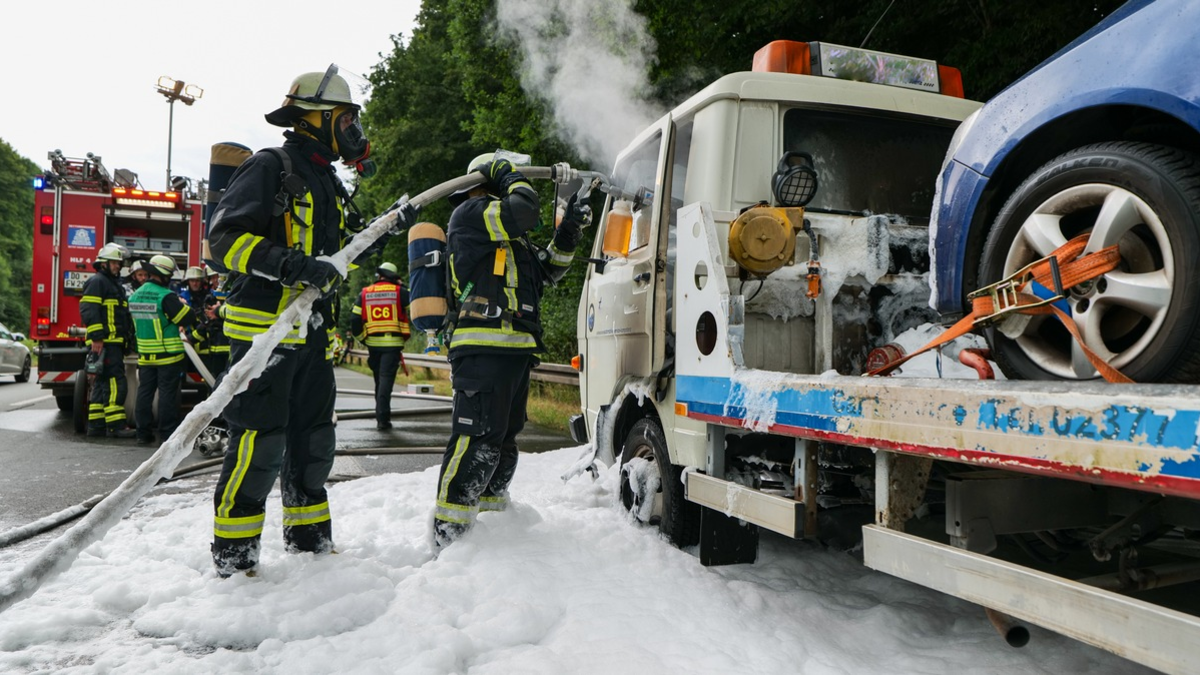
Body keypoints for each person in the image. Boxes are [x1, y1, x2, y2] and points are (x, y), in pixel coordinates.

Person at [205, 66, 416, 577]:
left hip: (312, 333)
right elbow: (224, 240)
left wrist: (385, 228)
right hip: (264, 332)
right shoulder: (270, 166)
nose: (353, 131)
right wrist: (292, 266)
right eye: (346, 119)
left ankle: (310, 547)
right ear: (315, 119)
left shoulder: (326, 180)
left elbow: (339, 256)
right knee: (260, 444)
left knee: (314, 441)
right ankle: (235, 562)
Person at [432, 153, 586, 549]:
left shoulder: (509, 236)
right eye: (505, 178)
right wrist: (506, 171)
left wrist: (568, 232)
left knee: (502, 439)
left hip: (514, 349)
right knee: (476, 438)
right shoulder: (471, 213)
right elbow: (525, 209)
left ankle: (492, 528)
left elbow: (548, 270)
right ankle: (449, 536)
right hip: (483, 347)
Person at [128, 255, 196, 445]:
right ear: (163, 275)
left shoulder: (134, 296)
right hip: (168, 356)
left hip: (145, 355)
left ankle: (143, 434)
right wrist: (183, 305)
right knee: (167, 395)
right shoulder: (166, 296)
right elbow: (187, 318)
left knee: (144, 394)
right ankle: (167, 435)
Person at [79, 242, 137, 438]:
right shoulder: (98, 282)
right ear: (103, 263)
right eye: (114, 263)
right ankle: (116, 426)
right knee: (115, 382)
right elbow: (89, 310)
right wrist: (97, 337)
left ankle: (96, 426)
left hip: (112, 343)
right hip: (105, 343)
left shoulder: (113, 284)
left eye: (119, 263)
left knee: (102, 383)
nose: (117, 266)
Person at [350, 262, 411, 429]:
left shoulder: (365, 293)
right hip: (392, 345)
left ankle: (381, 415)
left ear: (379, 276)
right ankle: (383, 419)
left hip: (372, 345)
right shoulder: (399, 292)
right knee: (385, 381)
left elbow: (354, 319)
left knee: (378, 381)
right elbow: (417, 306)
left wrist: (363, 338)